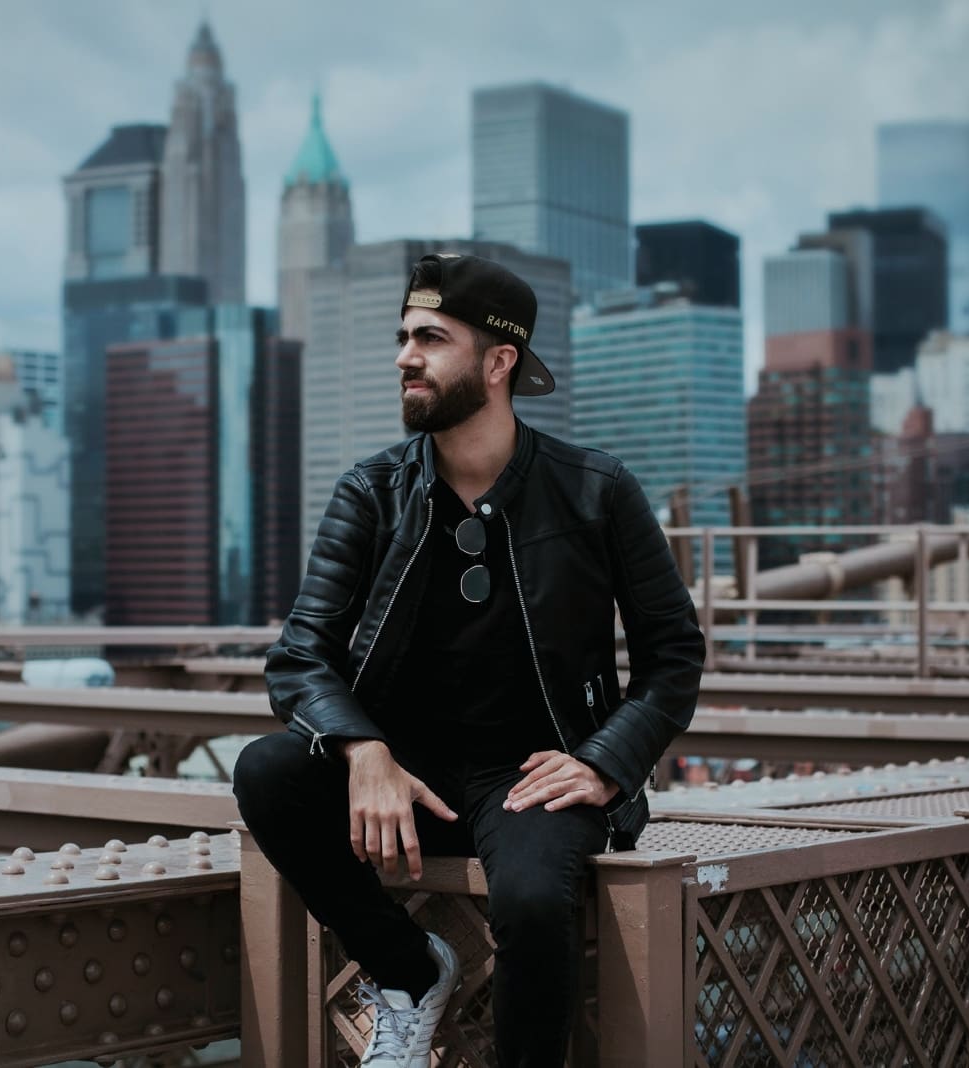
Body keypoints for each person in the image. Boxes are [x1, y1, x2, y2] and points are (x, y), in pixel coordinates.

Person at [233, 252, 705, 1067]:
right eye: (402, 337)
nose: (403, 357)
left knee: (529, 902)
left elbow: (674, 656)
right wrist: (363, 749)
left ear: (498, 362)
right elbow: (299, 656)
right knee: (266, 774)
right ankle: (410, 972)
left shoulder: (597, 491)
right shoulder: (370, 493)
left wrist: (603, 763)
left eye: (430, 338)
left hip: (531, 776)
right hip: (405, 775)